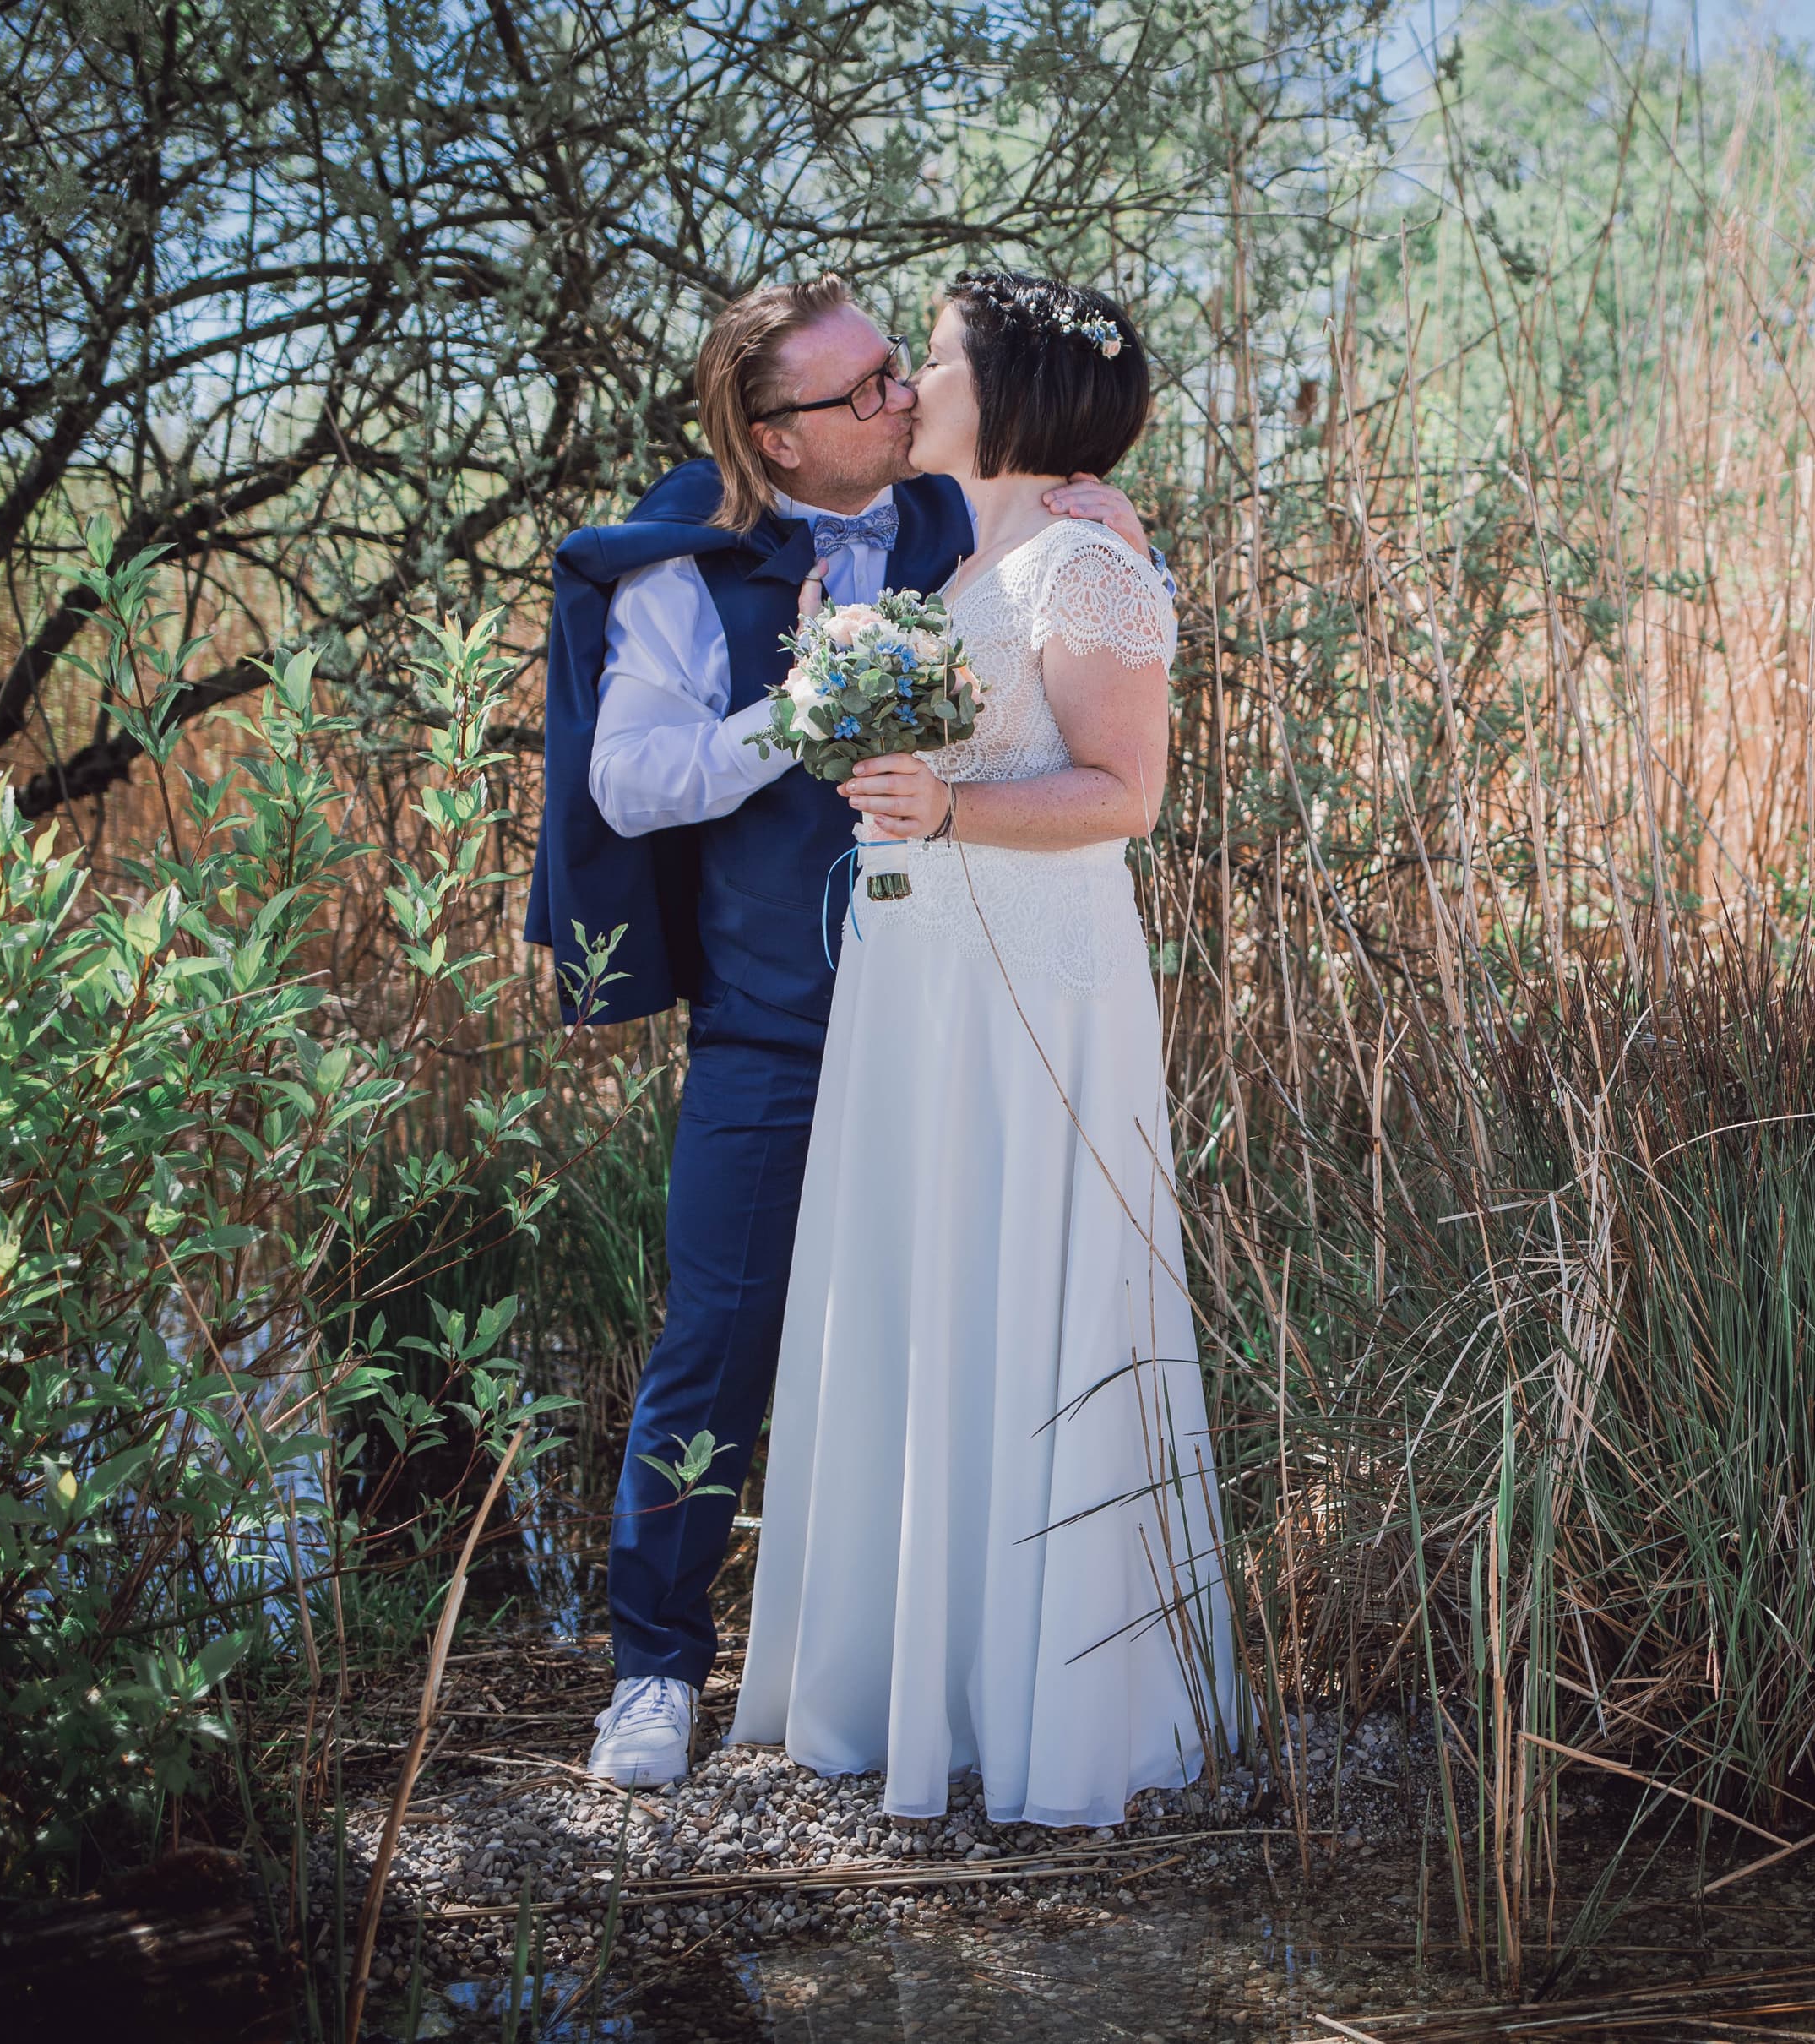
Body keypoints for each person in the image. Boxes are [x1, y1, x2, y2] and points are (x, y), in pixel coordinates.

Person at [524, 276, 1153, 1787]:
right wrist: (802, 707)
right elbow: (632, 781)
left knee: (938, 1337)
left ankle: (938, 1674)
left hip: (957, 1025)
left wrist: (1115, 516)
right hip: (779, 1023)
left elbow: (1093, 668)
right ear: (775, 439)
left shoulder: (980, 520)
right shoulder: (685, 560)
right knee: (716, 1338)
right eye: (860, 390)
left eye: (901, 371)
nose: (898, 399)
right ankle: (656, 1676)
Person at [725, 272, 1233, 1828]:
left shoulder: (1083, 561)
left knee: (1030, 1283)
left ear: (1002, 392)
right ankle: (922, 1682)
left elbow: (1124, 794)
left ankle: (1056, 1703)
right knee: (927, 1285)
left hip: (1035, 995)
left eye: (931, 361)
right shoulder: (990, 555)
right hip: (925, 987)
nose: (910, 385)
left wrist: (946, 809)